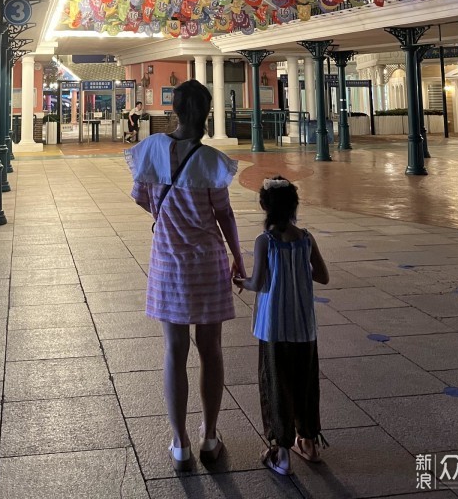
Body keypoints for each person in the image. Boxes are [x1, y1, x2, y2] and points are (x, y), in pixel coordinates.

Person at [126, 80, 245, 472]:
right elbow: (224, 215)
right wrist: (238, 257)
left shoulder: (151, 150)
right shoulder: (212, 161)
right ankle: (210, 437)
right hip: (208, 263)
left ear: (174, 110)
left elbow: (144, 200)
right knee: (210, 350)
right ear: (207, 113)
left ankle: (179, 444)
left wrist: (170, 219)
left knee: (174, 351)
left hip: (168, 264)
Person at [233, 177, 329, 475]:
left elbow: (257, 282)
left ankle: (282, 452)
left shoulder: (266, 241)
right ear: (293, 206)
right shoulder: (306, 239)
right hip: (303, 328)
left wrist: (239, 280)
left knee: (276, 384)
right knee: (305, 384)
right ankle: (310, 442)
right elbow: (323, 276)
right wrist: (298, 271)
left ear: (264, 206)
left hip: (273, 328)